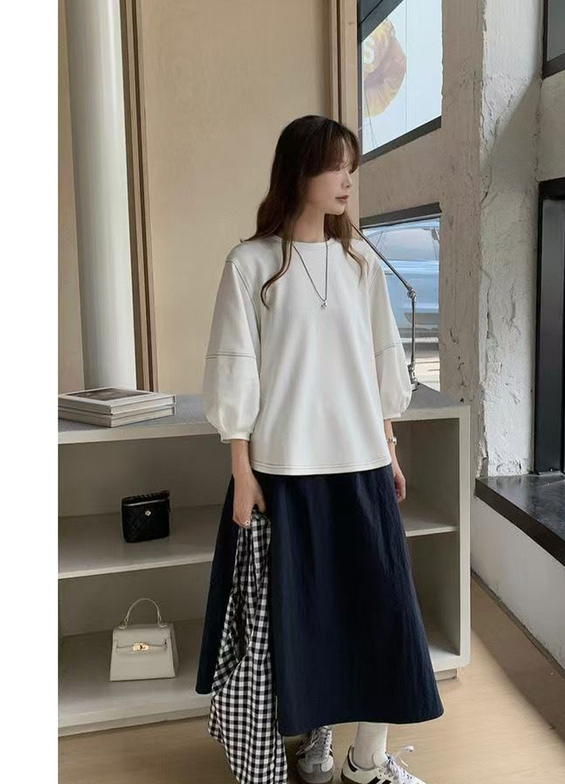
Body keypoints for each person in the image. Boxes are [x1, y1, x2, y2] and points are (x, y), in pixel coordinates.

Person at [195, 114, 444, 784]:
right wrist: (241, 470)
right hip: (286, 471)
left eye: (350, 168)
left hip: (361, 464)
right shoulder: (251, 263)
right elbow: (236, 369)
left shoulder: (360, 262)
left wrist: (390, 447)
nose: (347, 181)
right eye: (335, 166)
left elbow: (381, 361)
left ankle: (367, 762)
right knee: (306, 621)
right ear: (298, 170)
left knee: (382, 612)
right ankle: (316, 743)